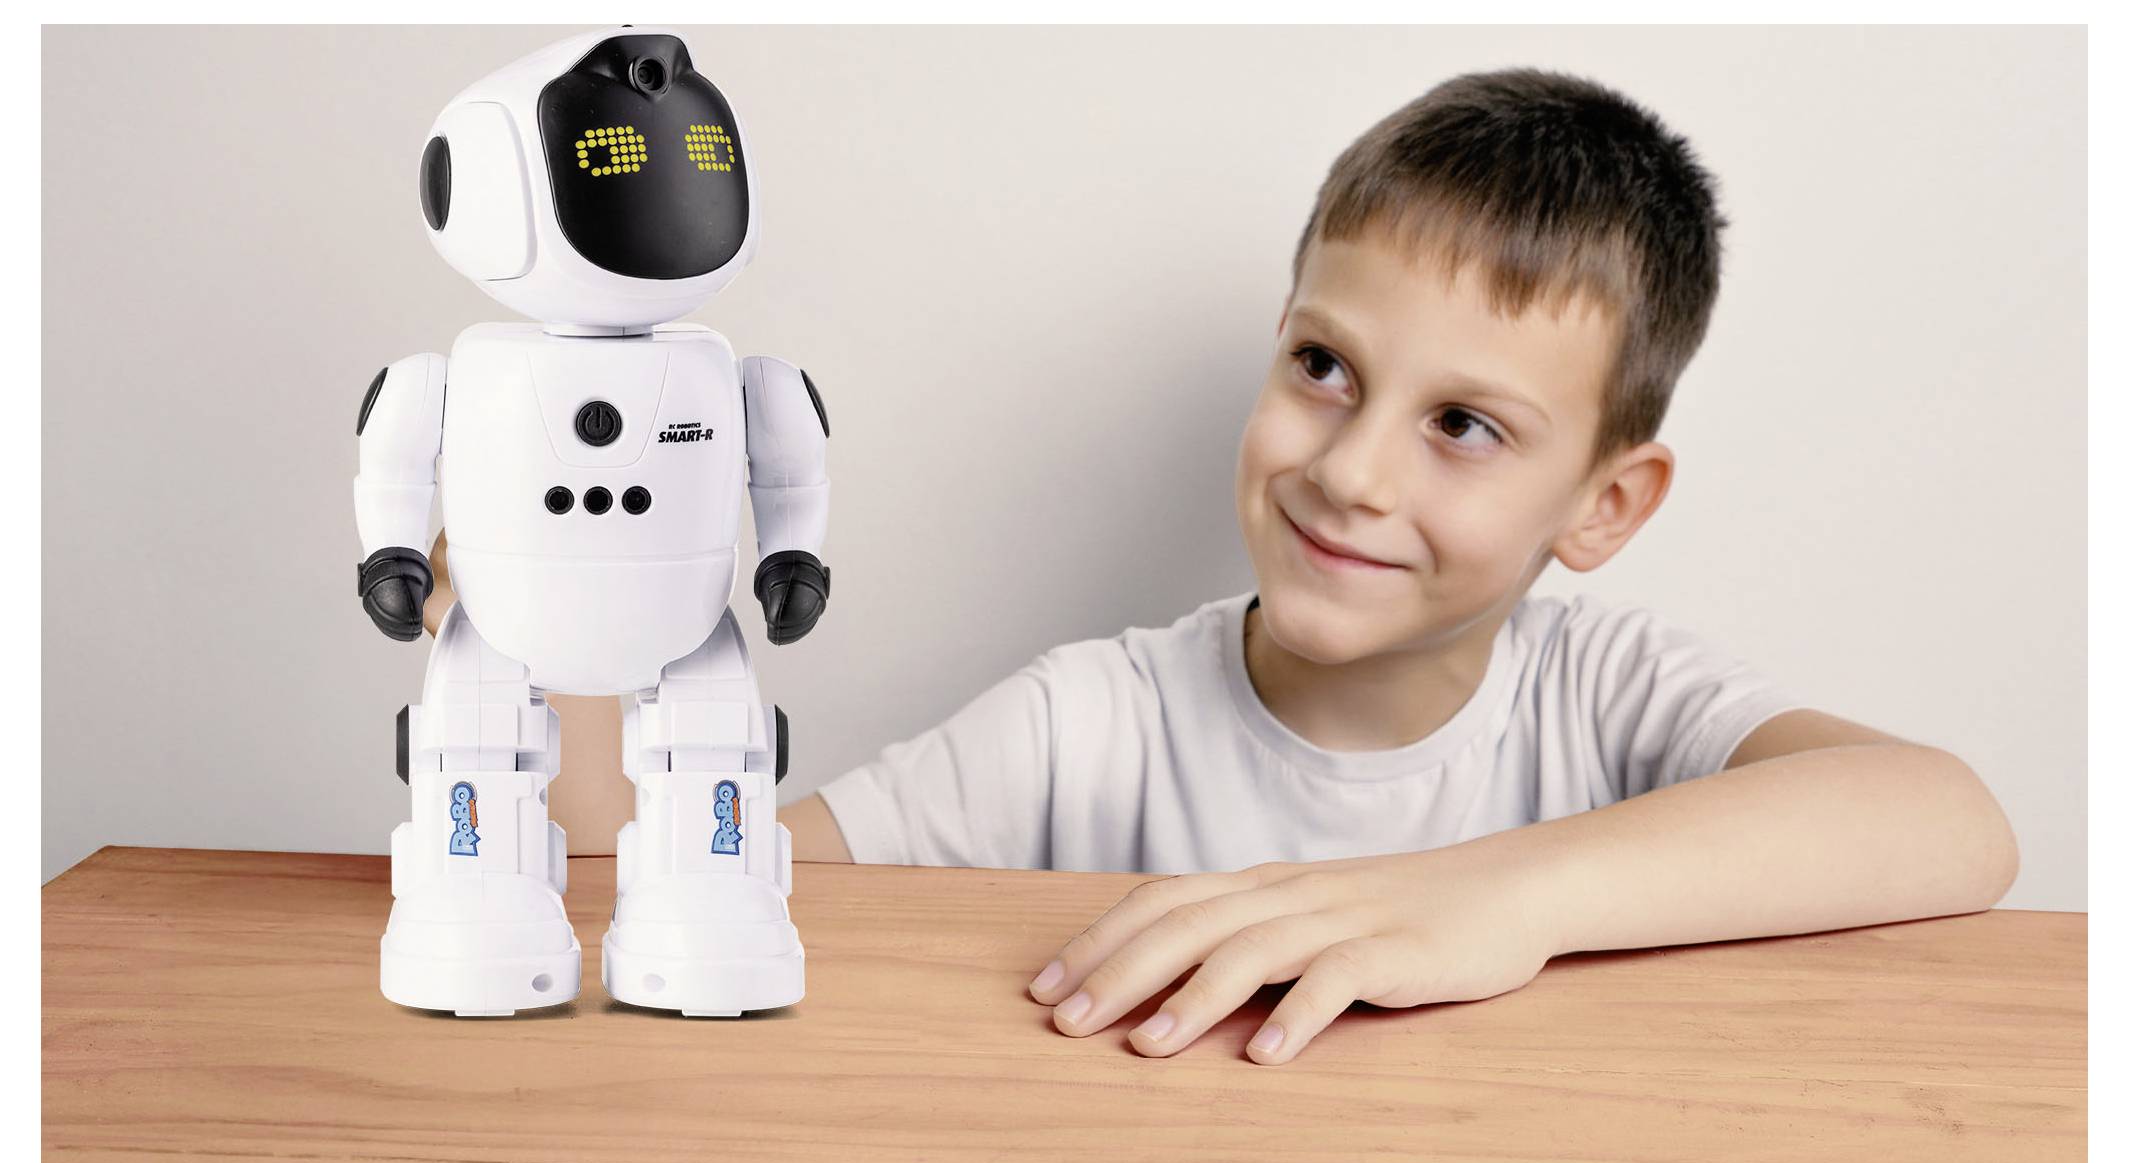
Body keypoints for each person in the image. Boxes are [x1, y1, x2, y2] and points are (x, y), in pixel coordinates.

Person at [432, 68, 2019, 1061]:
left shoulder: (1602, 700)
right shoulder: (1088, 721)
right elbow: (664, 889)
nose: (1349, 466)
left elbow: (1950, 819)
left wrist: (1486, 901)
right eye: (1325, 366)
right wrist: (545, 618)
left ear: (1601, 506)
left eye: (1463, 422)